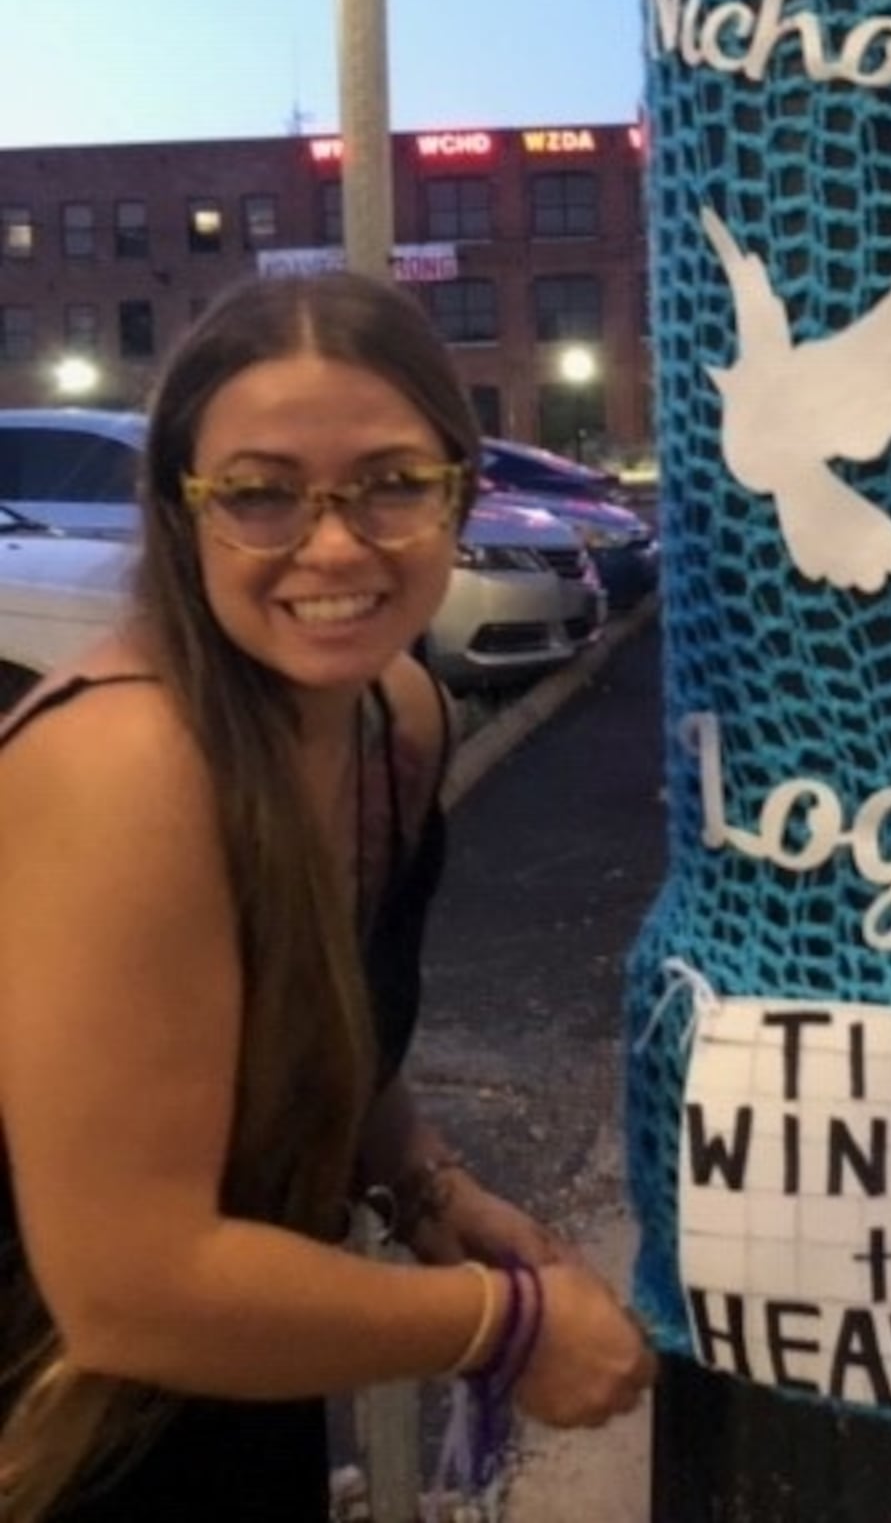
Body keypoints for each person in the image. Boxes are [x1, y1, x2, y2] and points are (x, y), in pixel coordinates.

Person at [0, 270, 656, 1521]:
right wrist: (504, 1326)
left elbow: (324, 1023)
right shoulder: (125, 767)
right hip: (58, 1431)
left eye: (394, 482)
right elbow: (130, 1284)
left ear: (460, 489)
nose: (337, 543)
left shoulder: (392, 717)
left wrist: (426, 1186)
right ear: (183, 512)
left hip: (237, 1388)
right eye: (259, 494)